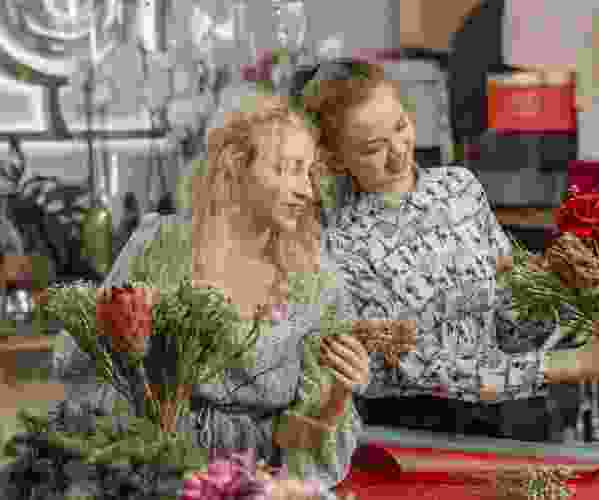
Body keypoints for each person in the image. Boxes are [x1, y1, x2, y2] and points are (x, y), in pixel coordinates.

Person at [291, 59, 599, 441]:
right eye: (373, 148)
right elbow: (431, 371)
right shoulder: (342, 246)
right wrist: (574, 363)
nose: (399, 151)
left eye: (401, 126)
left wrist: (560, 288)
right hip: (417, 439)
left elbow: (506, 321)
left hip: (513, 416)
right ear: (336, 159)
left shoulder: (459, 188)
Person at [18, 95, 370, 499]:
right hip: (146, 466)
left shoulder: (317, 280)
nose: (307, 191)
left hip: (257, 478)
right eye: (290, 170)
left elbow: (309, 434)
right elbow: (84, 362)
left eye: (309, 174)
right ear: (237, 166)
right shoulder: (157, 243)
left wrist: (338, 396)